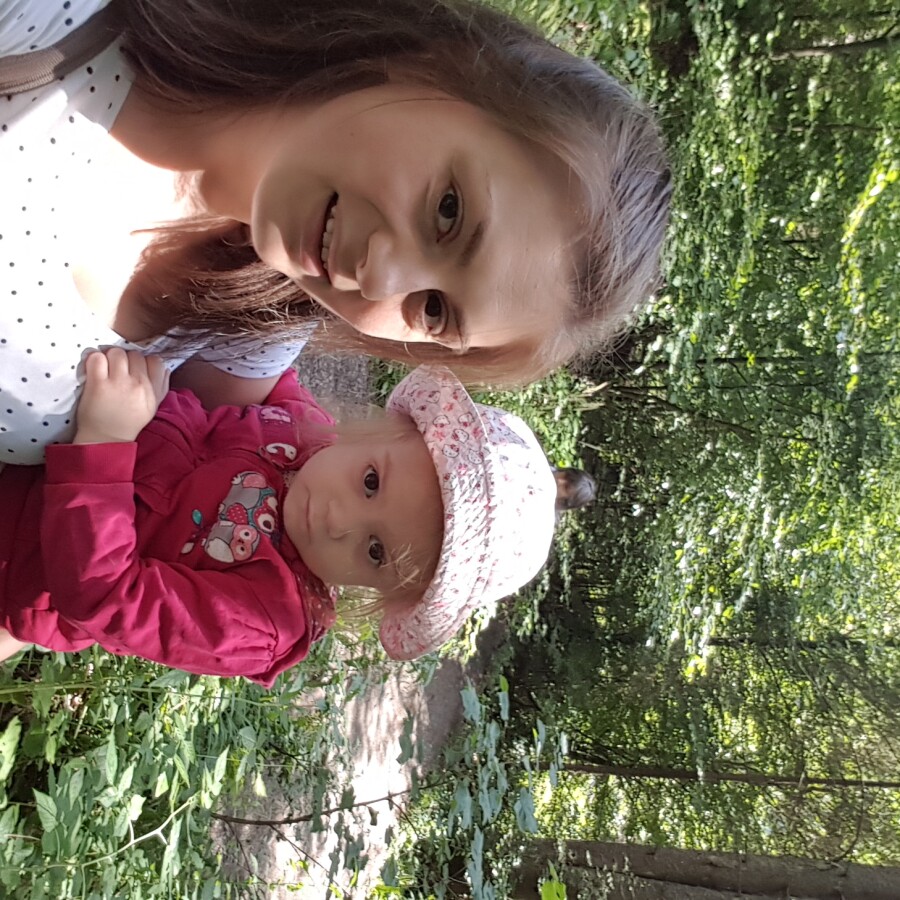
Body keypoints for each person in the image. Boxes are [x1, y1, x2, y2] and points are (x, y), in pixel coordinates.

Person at [0, 0, 671, 465]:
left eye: (434, 311)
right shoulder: (55, 20)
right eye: (448, 210)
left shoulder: (250, 330)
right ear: (444, 68)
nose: (380, 278)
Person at [0, 352, 558, 683]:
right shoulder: (303, 431)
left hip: (18, 560)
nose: (339, 519)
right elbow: (260, 357)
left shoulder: (267, 619)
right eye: (370, 482)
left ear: (384, 594)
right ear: (381, 433)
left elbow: (106, 598)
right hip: (47, 429)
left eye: (375, 550)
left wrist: (104, 441)